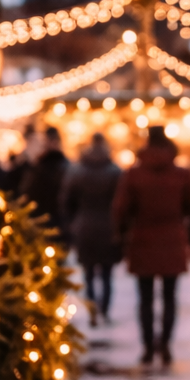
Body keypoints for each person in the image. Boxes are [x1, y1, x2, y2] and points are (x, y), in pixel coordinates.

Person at [112, 126, 190, 366]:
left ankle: (148, 346)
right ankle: (166, 345)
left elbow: (121, 210)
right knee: (170, 296)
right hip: (172, 239)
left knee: (146, 297)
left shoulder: (134, 174)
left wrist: (120, 237)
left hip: (143, 239)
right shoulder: (182, 175)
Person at [61, 132, 123, 326]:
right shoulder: (114, 171)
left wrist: (73, 222)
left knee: (88, 273)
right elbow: (121, 203)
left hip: (85, 226)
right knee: (106, 274)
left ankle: (92, 310)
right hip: (108, 227)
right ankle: (104, 309)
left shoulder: (78, 171)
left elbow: (66, 200)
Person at [20, 126, 69, 237]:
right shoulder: (68, 167)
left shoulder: (38, 167)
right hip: (60, 224)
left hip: (40, 224)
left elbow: (27, 193)